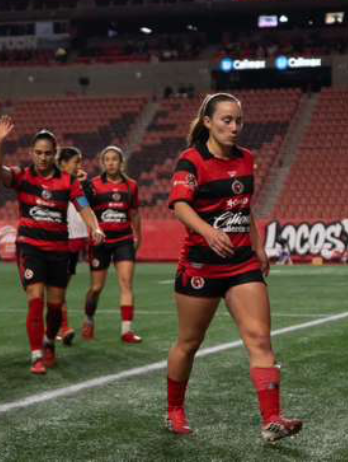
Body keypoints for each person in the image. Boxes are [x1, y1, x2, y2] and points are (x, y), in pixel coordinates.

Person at [165, 93, 302, 443]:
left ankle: (272, 420)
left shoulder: (246, 159)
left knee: (260, 339)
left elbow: (243, 207)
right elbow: (180, 206)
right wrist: (208, 232)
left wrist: (258, 246)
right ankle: (174, 410)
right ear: (208, 122)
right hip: (201, 265)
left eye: (238, 120)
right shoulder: (191, 160)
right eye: (226, 120)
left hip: (241, 263)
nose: (234, 127)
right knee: (189, 342)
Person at [0, 118, 104, 375]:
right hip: (30, 247)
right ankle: (36, 355)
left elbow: (83, 206)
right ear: (32, 153)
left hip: (58, 250)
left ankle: (49, 340)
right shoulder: (22, 176)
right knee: (35, 298)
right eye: (38, 153)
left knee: (55, 305)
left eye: (48, 153)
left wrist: (95, 227)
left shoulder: (68, 181)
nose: (42, 158)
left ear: (55, 154)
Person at [81, 145, 142, 343]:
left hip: (124, 240)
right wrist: (92, 230)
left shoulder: (131, 185)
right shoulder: (93, 185)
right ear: (102, 163)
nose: (111, 163)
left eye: (114, 159)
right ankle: (89, 319)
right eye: (107, 159)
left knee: (126, 283)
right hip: (101, 242)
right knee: (96, 287)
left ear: (121, 162)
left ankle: (126, 330)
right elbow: (85, 209)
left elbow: (134, 213)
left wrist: (138, 235)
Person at [58, 147, 89, 345]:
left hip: (75, 239)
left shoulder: (77, 184)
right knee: (57, 287)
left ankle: (60, 326)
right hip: (59, 237)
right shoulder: (55, 182)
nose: (79, 166)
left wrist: (82, 184)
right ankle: (63, 327)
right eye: (76, 162)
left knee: (59, 287)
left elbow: (85, 205)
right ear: (62, 163)